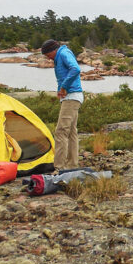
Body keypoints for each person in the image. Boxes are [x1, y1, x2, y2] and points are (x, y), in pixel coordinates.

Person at [40, 39, 84, 171]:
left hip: (71, 96)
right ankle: (72, 165)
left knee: (60, 132)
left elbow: (75, 69)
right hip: (73, 96)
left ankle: (59, 168)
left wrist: (64, 87)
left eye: (47, 55)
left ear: (53, 50)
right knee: (71, 132)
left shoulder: (63, 53)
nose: (48, 58)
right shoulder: (61, 55)